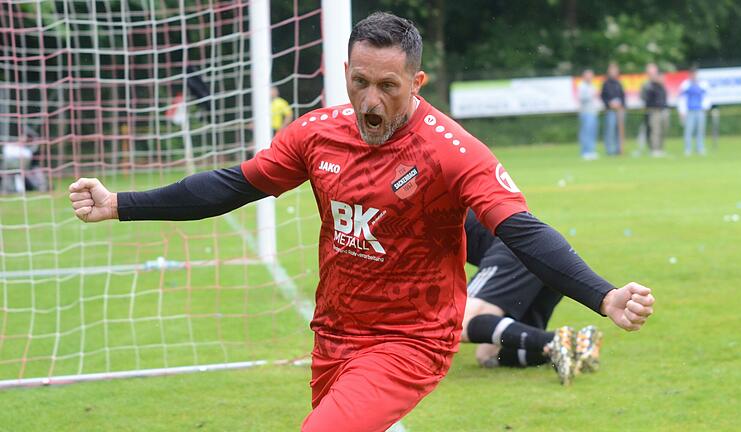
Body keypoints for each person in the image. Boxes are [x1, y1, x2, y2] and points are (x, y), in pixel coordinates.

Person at [69, 12, 655, 432]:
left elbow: (520, 228)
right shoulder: (315, 132)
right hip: (335, 333)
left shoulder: (451, 151)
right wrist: (122, 203)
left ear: (416, 83)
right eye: (360, 82)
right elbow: (233, 186)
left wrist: (602, 295)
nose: (371, 101)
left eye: (388, 87)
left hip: (410, 339)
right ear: (346, 70)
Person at [461, 210, 601, 385]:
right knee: (488, 354)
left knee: (461, 321)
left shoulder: (426, 210)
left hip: (516, 249)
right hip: (548, 256)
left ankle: (556, 341)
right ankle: (575, 346)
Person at [677, 67, 711, 156]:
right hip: (689, 111)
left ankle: (700, 148)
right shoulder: (685, 85)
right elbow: (682, 99)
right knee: (688, 130)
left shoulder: (703, 84)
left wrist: (705, 107)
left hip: (700, 110)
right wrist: (682, 111)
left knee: (700, 130)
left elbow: (707, 97)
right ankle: (687, 149)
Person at [641, 63, 668, 157]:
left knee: (663, 130)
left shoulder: (661, 83)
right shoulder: (647, 85)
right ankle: (654, 149)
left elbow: (664, 95)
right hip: (653, 110)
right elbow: (644, 97)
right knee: (654, 130)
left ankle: (660, 148)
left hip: (663, 109)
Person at [600, 62, 625, 156]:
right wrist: (609, 104)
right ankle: (610, 150)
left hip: (620, 110)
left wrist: (622, 105)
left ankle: (619, 149)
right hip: (610, 110)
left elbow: (623, 96)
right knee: (610, 130)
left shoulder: (619, 83)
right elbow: (603, 96)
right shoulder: (606, 83)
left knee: (619, 130)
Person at [577, 69, 599, 160]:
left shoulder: (592, 85)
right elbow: (582, 98)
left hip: (593, 112)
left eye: (591, 75)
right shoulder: (582, 86)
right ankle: (585, 152)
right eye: (588, 75)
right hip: (586, 112)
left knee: (592, 132)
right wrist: (591, 95)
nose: (590, 77)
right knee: (586, 133)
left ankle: (591, 151)